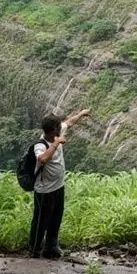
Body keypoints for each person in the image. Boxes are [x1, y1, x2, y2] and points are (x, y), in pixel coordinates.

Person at [28, 106, 90, 259]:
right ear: (53, 130)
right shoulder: (40, 145)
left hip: (58, 187)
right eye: (58, 128)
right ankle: (34, 250)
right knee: (40, 221)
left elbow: (69, 122)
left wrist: (81, 113)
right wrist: (56, 144)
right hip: (44, 191)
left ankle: (51, 247)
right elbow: (42, 159)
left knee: (56, 218)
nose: (60, 128)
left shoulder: (58, 130)